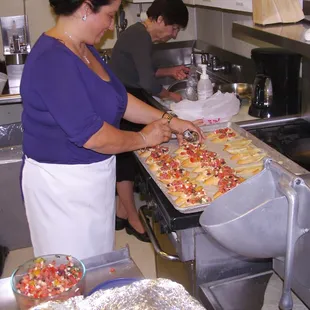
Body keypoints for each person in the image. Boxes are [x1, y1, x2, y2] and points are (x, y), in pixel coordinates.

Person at [20, 0, 202, 260]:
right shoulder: (52, 60)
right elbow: (94, 136)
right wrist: (143, 137)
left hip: (94, 178)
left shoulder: (84, 48)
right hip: (62, 187)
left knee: (95, 261)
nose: (109, 26)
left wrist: (169, 119)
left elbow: (121, 99)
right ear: (85, 8)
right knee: (69, 273)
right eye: (109, 15)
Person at [109, 0, 192, 241]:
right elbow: (147, 82)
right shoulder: (140, 37)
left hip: (126, 96)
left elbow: (142, 70)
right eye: (173, 28)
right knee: (126, 159)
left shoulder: (139, 34)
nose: (174, 34)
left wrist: (170, 71)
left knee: (131, 157)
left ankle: (122, 213)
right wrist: (171, 95)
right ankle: (134, 221)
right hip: (125, 100)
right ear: (159, 20)